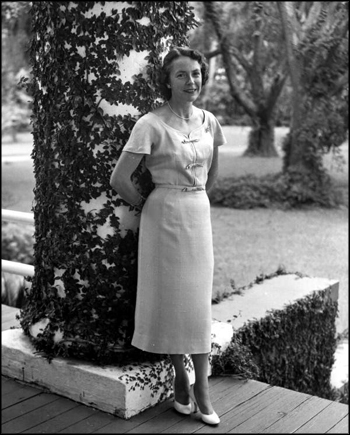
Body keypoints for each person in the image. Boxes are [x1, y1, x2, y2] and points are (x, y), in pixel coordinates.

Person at [110, 46, 226, 425]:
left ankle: (200, 387)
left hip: (198, 213)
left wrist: (194, 196)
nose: (190, 81)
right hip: (163, 215)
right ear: (167, 80)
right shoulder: (150, 124)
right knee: (173, 299)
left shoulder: (210, 121)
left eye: (195, 73)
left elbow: (212, 174)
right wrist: (152, 203)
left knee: (196, 301)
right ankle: (183, 379)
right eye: (181, 74)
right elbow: (120, 179)